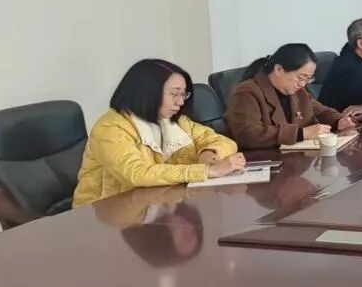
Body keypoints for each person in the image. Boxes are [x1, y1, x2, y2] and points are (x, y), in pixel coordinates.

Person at [73, 59, 246, 207]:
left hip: (155, 206)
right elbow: (136, 173)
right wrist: (206, 171)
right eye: (174, 94)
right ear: (147, 92)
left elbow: (223, 141)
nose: (180, 102)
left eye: (183, 95)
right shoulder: (111, 128)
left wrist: (209, 153)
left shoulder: (173, 120)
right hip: (103, 217)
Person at [225, 43, 362, 149]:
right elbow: (248, 134)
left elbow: (321, 111)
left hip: (293, 159)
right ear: (278, 69)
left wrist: (339, 121)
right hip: (262, 162)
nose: (302, 84)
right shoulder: (247, 91)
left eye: (308, 79)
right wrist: (302, 134)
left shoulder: (298, 91)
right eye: (300, 77)